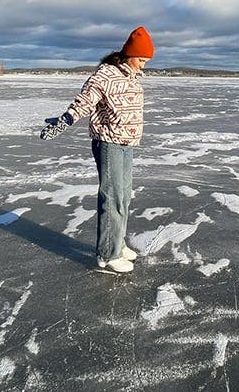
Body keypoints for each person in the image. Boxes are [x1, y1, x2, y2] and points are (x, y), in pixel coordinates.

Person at [39, 26, 154, 274]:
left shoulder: (130, 77)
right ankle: (107, 254)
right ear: (130, 55)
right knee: (111, 198)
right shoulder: (105, 75)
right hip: (109, 142)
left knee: (123, 197)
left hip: (127, 144)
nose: (144, 65)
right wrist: (64, 121)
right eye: (142, 60)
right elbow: (84, 101)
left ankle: (117, 244)